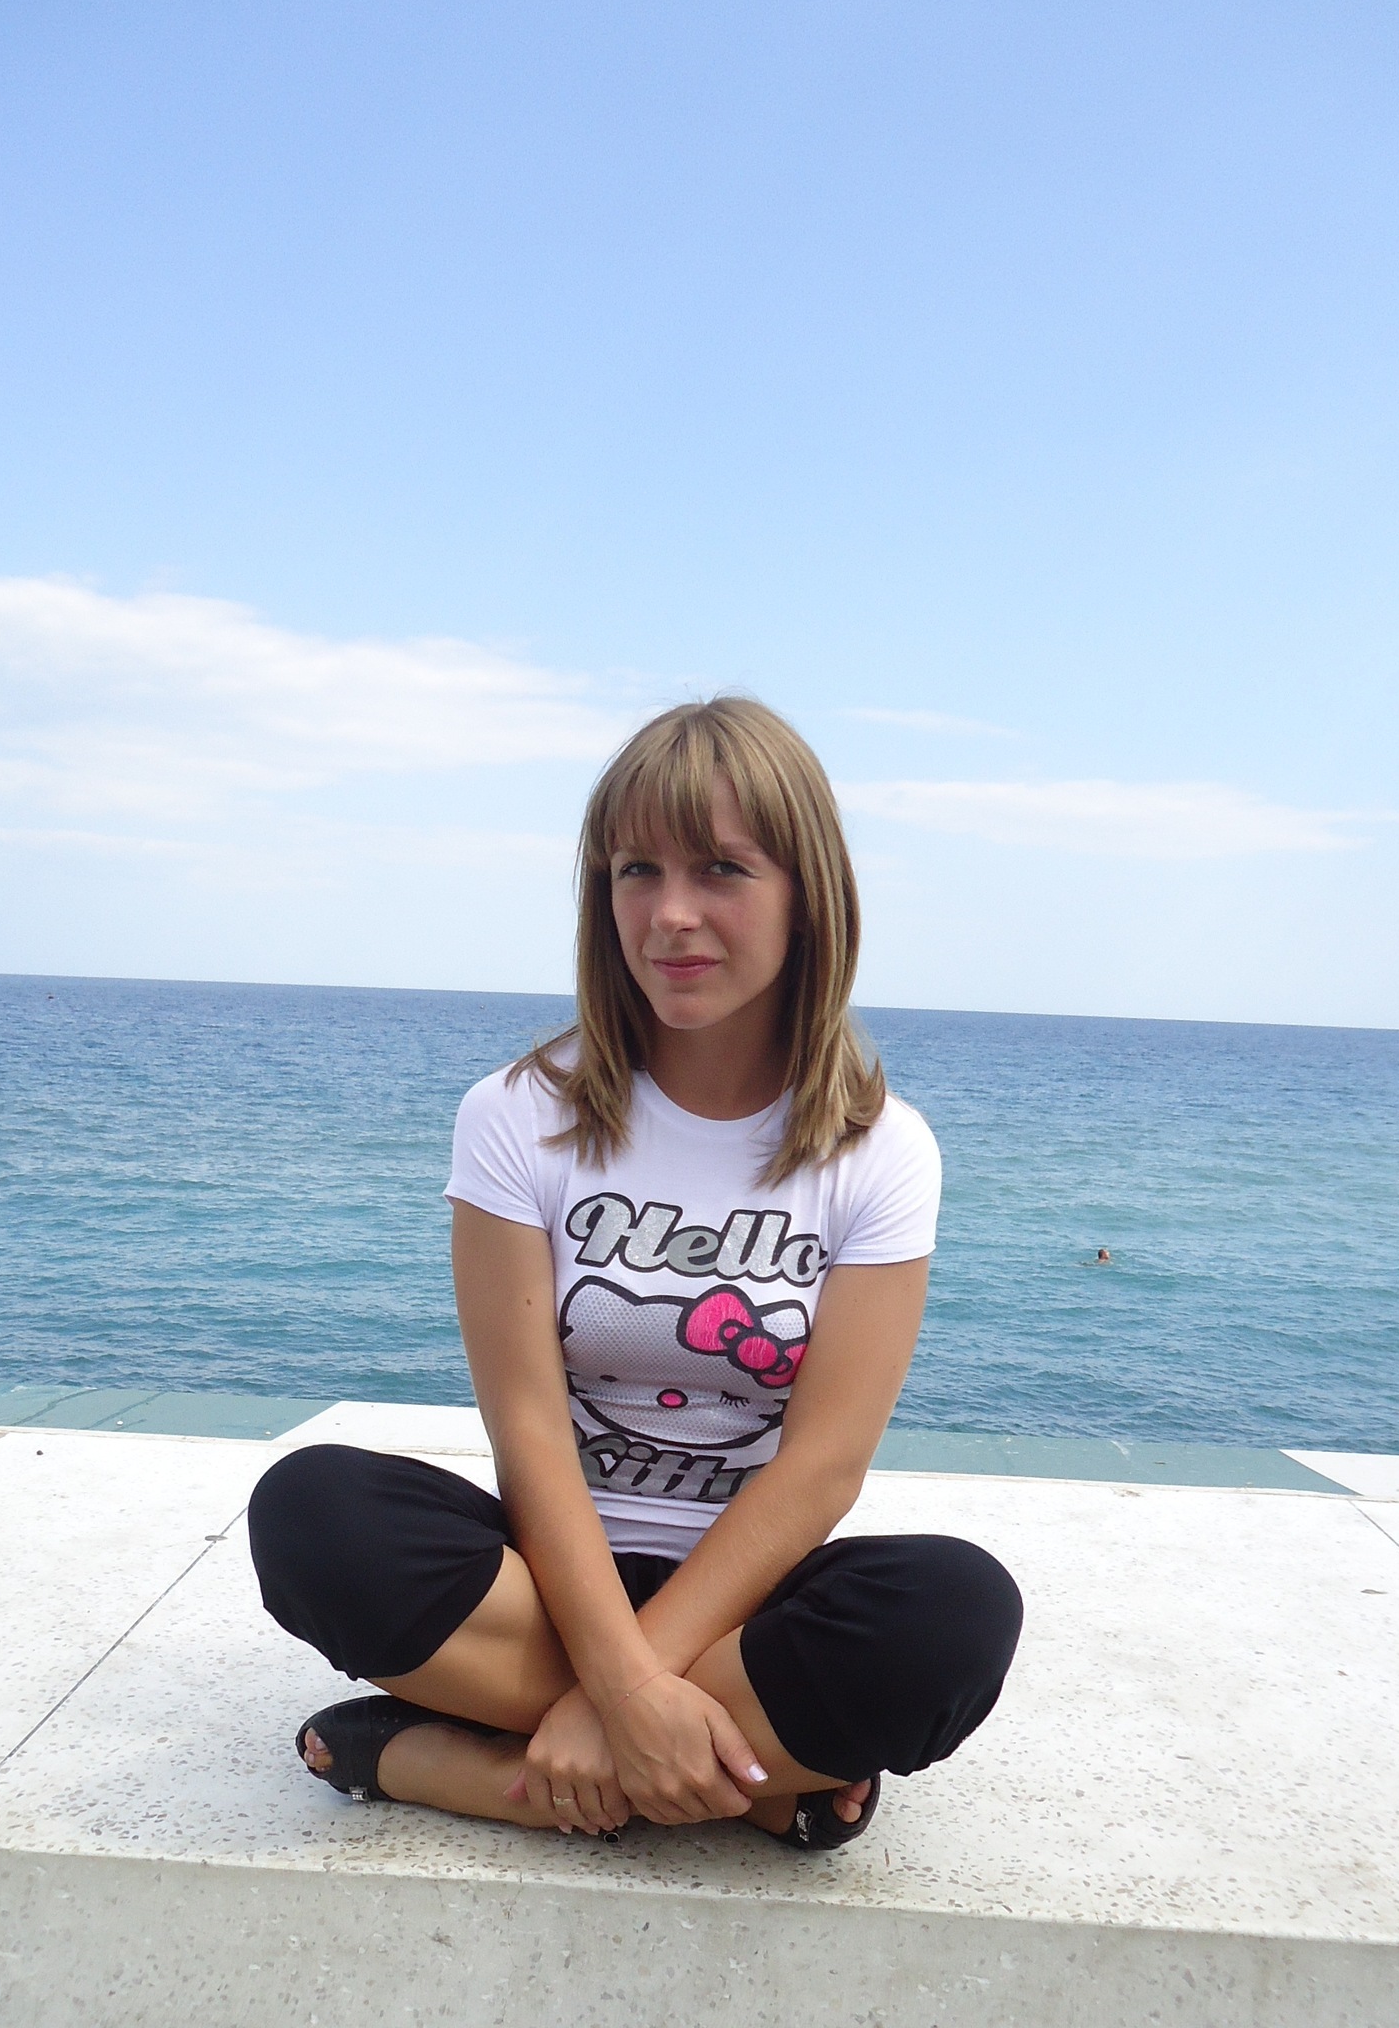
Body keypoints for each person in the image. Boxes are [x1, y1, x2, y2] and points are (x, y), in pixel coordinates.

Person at [247, 696, 1022, 1850]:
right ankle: (753, 1782)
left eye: (721, 868)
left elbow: (819, 1469)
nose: (669, 914)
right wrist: (621, 1680)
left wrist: (611, 1699)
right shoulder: (517, 1115)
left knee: (955, 1614)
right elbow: (527, 1427)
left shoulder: (880, 1149)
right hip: (545, 1583)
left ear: (806, 893)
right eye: (634, 870)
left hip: (747, 1605)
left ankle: (445, 1757)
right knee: (311, 1513)